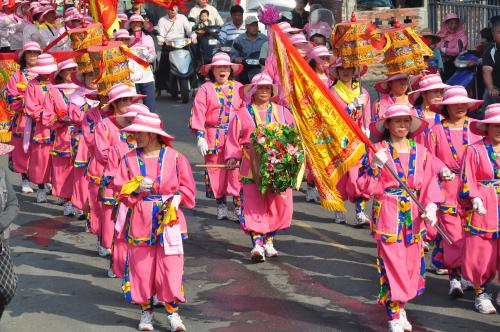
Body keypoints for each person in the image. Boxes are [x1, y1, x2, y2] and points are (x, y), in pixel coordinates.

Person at [358, 103, 443, 332]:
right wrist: (374, 166)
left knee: (410, 265)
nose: (402, 125)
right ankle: (394, 314)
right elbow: (365, 186)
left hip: (414, 215)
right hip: (388, 211)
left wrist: (432, 206)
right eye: (397, 121)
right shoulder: (377, 149)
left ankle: (401, 306)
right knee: (392, 264)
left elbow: (428, 183)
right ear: (388, 124)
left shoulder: (422, 152)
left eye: (406, 121)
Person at [114, 113, 195, 332]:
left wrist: (176, 199)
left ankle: (173, 314)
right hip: (141, 219)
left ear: (152, 134)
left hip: (170, 220)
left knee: (171, 268)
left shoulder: (176, 157)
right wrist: (135, 189)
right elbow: (120, 190)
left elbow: (188, 190)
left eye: (139, 133)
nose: (135, 137)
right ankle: (146, 313)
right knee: (142, 269)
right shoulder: (129, 159)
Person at [225, 73, 294, 262]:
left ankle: (269, 240)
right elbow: (233, 139)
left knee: (278, 204)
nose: (264, 91)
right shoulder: (242, 114)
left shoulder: (283, 112)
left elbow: (293, 138)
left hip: (278, 166)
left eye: (267, 88)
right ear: (253, 91)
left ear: (271, 91)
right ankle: (257, 244)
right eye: (260, 88)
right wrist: (232, 157)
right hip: (251, 165)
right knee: (254, 205)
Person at [425, 86, 483, 298]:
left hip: (474, 189)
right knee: (453, 236)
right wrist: (441, 167)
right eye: (454, 104)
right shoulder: (435, 131)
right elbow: (428, 158)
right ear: (445, 108)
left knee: (472, 236)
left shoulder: (476, 128)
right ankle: (454, 279)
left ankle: (469, 275)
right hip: (447, 189)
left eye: (463, 103)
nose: (459, 107)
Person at [92, 84, 145, 258]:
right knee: (109, 211)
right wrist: (123, 161)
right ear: (113, 104)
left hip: (135, 177)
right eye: (122, 100)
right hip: (110, 174)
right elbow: (102, 153)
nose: (127, 103)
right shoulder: (104, 125)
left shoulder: (138, 124)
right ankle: (105, 243)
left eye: (129, 99)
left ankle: (125, 247)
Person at [190, 52, 243, 221]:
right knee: (216, 172)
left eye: (225, 67)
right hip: (213, 135)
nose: (222, 70)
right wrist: (200, 136)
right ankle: (221, 206)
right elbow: (198, 113)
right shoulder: (205, 89)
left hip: (235, 137)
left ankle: (238, 207)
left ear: (230, 69)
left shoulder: (240, 88)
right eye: (219, 67)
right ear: (212, 70)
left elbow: (247, 114)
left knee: (236, 172)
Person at [460, 103, 500, 314]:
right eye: (495, 126)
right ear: (486, 128)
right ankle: (480, 292)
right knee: (482, 252)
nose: (499, 130)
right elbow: (468, 178)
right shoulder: (474, 150)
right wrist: (474, 197)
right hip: (484, 207)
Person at [329, 58, 371, 226]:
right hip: (339, 138)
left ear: (355, 71)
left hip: (358, 138)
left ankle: (360, 211)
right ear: (337, 73)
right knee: (340, 176)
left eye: (349, 68)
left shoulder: (363, 92)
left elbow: (367, 114)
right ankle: (339, 209)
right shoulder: (332, 92)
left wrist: (366, 130)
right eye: (341, 69)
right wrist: (350, 107)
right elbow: (331, 117)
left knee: (358, 175)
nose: (345, 71)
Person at [43, 59, 79, 216]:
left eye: (74, 69)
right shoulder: (53, 92)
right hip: (63, 136)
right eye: (68, 70)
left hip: (81, 137)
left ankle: (79, 202)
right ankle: (67, 200)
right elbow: (46, 116)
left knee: (79, 171)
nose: (71, 73)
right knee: (63, 170)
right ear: (61, 73)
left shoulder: (82, 90)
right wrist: (60, 120)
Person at [5, 41, 41, 194]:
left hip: (41, 119)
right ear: (24, 56)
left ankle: (42, 181)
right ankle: (25, 179)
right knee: (22, 151)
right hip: (23, 119)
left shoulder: (45, 75)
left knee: (41, 152)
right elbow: (10, 97)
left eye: (36, 53)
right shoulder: (17, 76)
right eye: (30, 53)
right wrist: (26, 103)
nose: (33, 55)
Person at [24, 53, 58, 204]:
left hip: (58, 127)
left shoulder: (57, 84)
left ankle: (59, 191)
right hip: (41, 128)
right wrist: (47, 116)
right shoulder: (32, 85)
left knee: (57, 160)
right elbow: (31, 107)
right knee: (41, 160)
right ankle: (41, 188)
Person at [68, 71, 99, 221]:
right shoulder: (76, 96)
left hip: (102, 139)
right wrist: (94, 115)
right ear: (83, 78)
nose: (93, 78)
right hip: (82, 139)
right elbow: (75, 116)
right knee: (81, 174)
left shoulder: (106, 93)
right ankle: (81, 205)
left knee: (98, 173)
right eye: (89, 75)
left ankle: (95, 206)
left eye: (96, 74)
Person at [155, 4, 193, 96]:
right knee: (162, 66)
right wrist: (160, 40)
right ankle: (159, 88)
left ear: (177, 8)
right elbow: (161, 34)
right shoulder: (162, 20)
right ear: (167, 9)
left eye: (174, 8)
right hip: (168, 46)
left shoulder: (183, 18)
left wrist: (193, 36)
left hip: (183, 45)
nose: (172, 10)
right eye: (170, 8)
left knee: (193, 61)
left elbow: (189, 30)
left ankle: (194, 86)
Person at [0, 143, 19, 320]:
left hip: (1, 242)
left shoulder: (1, 174)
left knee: (8, 288)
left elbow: (13, 203)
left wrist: (1, 223)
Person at [126, 15, 157, 112]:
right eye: (133, 22)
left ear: (142, 24)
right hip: (131, 77)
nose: (136, 24)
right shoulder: (126, 38)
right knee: (133, 108)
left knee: (150, 107)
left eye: (138, 22)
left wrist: (147, 55)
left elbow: (153, 58)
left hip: (146, 76)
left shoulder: (148, 38)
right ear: (130, 25)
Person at [408, 74, 449, 145]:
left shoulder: (445, 115)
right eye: (435, 91)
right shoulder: (411, 115)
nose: (439, 95)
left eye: (441, 92)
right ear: (423, 94)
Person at [231, 16, 266, 84]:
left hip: (260, 69)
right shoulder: (239, 39)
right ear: (246, 27)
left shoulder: (264, 39)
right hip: (244, 69)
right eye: (252, 25)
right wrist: (236, 59)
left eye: (256, 25)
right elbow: (233, 55)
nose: (255, 27)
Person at [437, 13, 468, 81]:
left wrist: (444, 50)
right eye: (451, 23)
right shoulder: (441, 33)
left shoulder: (461, 34)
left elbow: (458, 50)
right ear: (446, 24)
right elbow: (436, 46)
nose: (453, 26)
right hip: (440, 64)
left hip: (455, 64)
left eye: (455, 23)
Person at [482, 19, 500, 109]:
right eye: (499, 32)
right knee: (488, 96)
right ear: (493, 36)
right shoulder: (491, 51)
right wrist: (491, 88)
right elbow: (487, 71)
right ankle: (486, 121)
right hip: (497, 89)